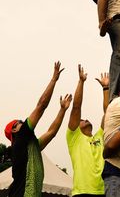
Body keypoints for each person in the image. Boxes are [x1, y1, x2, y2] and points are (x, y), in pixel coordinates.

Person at [4, 61, 72, 197]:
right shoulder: (21, 138)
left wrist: (62, 110)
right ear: (14, 131)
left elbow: (51, 132)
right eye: (19, 122)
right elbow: (41, 105)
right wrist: (53, 80)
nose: (23, 122)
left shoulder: (31, 146)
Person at [66, 64, 109, 196]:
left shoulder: (100, 136)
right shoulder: (74, 137)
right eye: (81, 120)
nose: (85, 119)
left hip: (103, 192)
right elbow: (76, 107)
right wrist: (81, 82)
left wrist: (106, 88)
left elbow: (109, 112)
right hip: (82, 193)